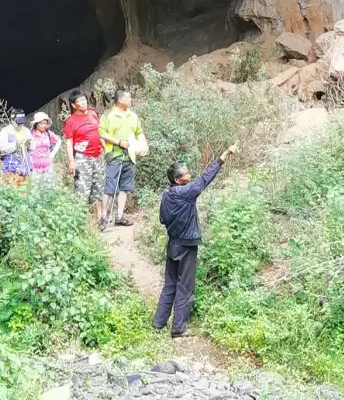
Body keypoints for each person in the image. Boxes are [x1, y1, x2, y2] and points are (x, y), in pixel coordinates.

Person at [152, 142, 239, 338]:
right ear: (178, 180)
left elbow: (163, 219)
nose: (189, 176)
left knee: (170, 283)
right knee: (185, 286)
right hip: (187, 245)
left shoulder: (166, 195)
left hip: (172, 244)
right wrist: (223, 156)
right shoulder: (187, 193)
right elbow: (205, 179)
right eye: (186, 174)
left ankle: (158, 322)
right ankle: (179, 328)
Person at [99, 87, 146, 229]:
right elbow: (102, 133)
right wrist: (119, 142)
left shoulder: (133, 116)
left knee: (125, 187)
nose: (131, 100)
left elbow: (139, 132)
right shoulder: (109, 115)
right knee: (109, 188)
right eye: (129, 97)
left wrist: (144, 146)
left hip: (129, 157)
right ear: (120, 100)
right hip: (114, 156)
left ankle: (119, 216)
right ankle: (103, 217)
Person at [63, 89, 106, 228]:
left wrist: (105, 149)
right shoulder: (70, 121)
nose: (83, 102)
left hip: (98, 156)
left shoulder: (93, 114)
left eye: (84, 100)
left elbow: (99, 132)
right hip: (82, 159)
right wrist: (71, 161)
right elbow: (69, 142)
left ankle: (100, 220)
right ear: (74, 105)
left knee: (99, 189)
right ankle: (82, 224)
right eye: (80, 101)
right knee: (82, 192)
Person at [0, 109, 33, 187]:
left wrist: (29, 145)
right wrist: (16, 145)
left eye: (22, 123)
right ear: (12, 120)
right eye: (18, 123)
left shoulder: (26, 131)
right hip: (11, 168)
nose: (20, 125)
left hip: (25, 168)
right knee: (12, 190)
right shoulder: (6, 131)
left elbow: (33, 146)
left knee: (25, 190)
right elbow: (2, 148)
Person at [29, 111, 60, 185]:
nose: (44, 125)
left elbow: (59, 141)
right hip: (35, 168)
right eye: (41, 123)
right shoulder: (30, 135)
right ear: (36, 124)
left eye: (45, 123)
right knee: (35, 190)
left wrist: (52, 154)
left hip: (48, 166)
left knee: (49, 189)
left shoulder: (48, 133)